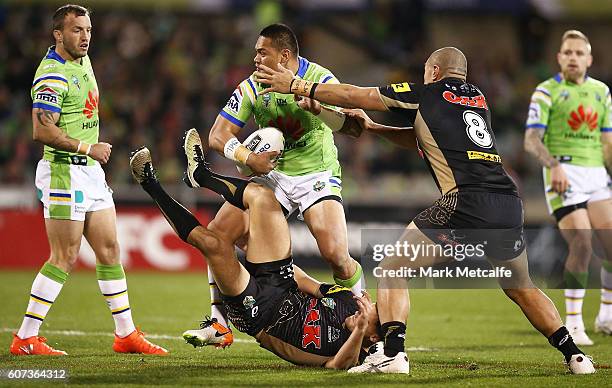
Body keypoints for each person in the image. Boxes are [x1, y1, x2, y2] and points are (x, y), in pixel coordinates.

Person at [254, 46, 596, 374]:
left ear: (433, 72)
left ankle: (392, 354)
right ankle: (575, 356)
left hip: (464, 201)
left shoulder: (427, 92)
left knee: (392, 267)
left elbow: (355, 95)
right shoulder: (477, 100)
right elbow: (423, 137)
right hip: (507, 201)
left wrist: (298, 85)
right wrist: (373, 129)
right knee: (522, 286)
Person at [128, 132, 390, 370]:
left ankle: (150, 184)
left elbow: (336, 365)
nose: (364, 308)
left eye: (371, 314)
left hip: (260, 315)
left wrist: (358, 331)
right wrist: (261, 252)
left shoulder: (357, 355)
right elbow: (308, 283)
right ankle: (203, 176)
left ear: (373, 335)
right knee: (263, 197)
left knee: (213, 245)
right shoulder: (346, 301)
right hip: (280, 282)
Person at [185, 23, 364, 348]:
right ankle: (219, 323)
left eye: (261, 52)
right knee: (217, 234)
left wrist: (321, 109)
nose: (255, 58)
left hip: (317, 173)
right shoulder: (253, 86)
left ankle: (365, 323)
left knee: (336, 255)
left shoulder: (321, 80)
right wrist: (246, 157)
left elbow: (353, 128)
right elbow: (217, 135)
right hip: (272, 176)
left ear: (284, 56)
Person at [9, 4, 166, 356]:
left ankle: (125, 335)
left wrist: (90, 155)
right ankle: (25, 337)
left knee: (110, 251)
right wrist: (87, 147)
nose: (85, 37)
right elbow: (41, 129)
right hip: (64, 170)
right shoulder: (52, 73)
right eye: (77, 30)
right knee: (64, 256)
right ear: (58, 34)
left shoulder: (82, 60)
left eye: (88, 30)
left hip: (90, 173)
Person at [524, 30, 612, 345]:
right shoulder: (546, 92)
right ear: (559, 57)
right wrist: (554, 164)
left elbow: (606, 142)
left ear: (589, 59)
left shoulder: (601, 92)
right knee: (583, 244)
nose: (573, 57)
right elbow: (531, 140)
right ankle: (573, 323)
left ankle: (606, 315)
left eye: (579, 53)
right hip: (563, 172)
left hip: (596, 175)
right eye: (567, 52)